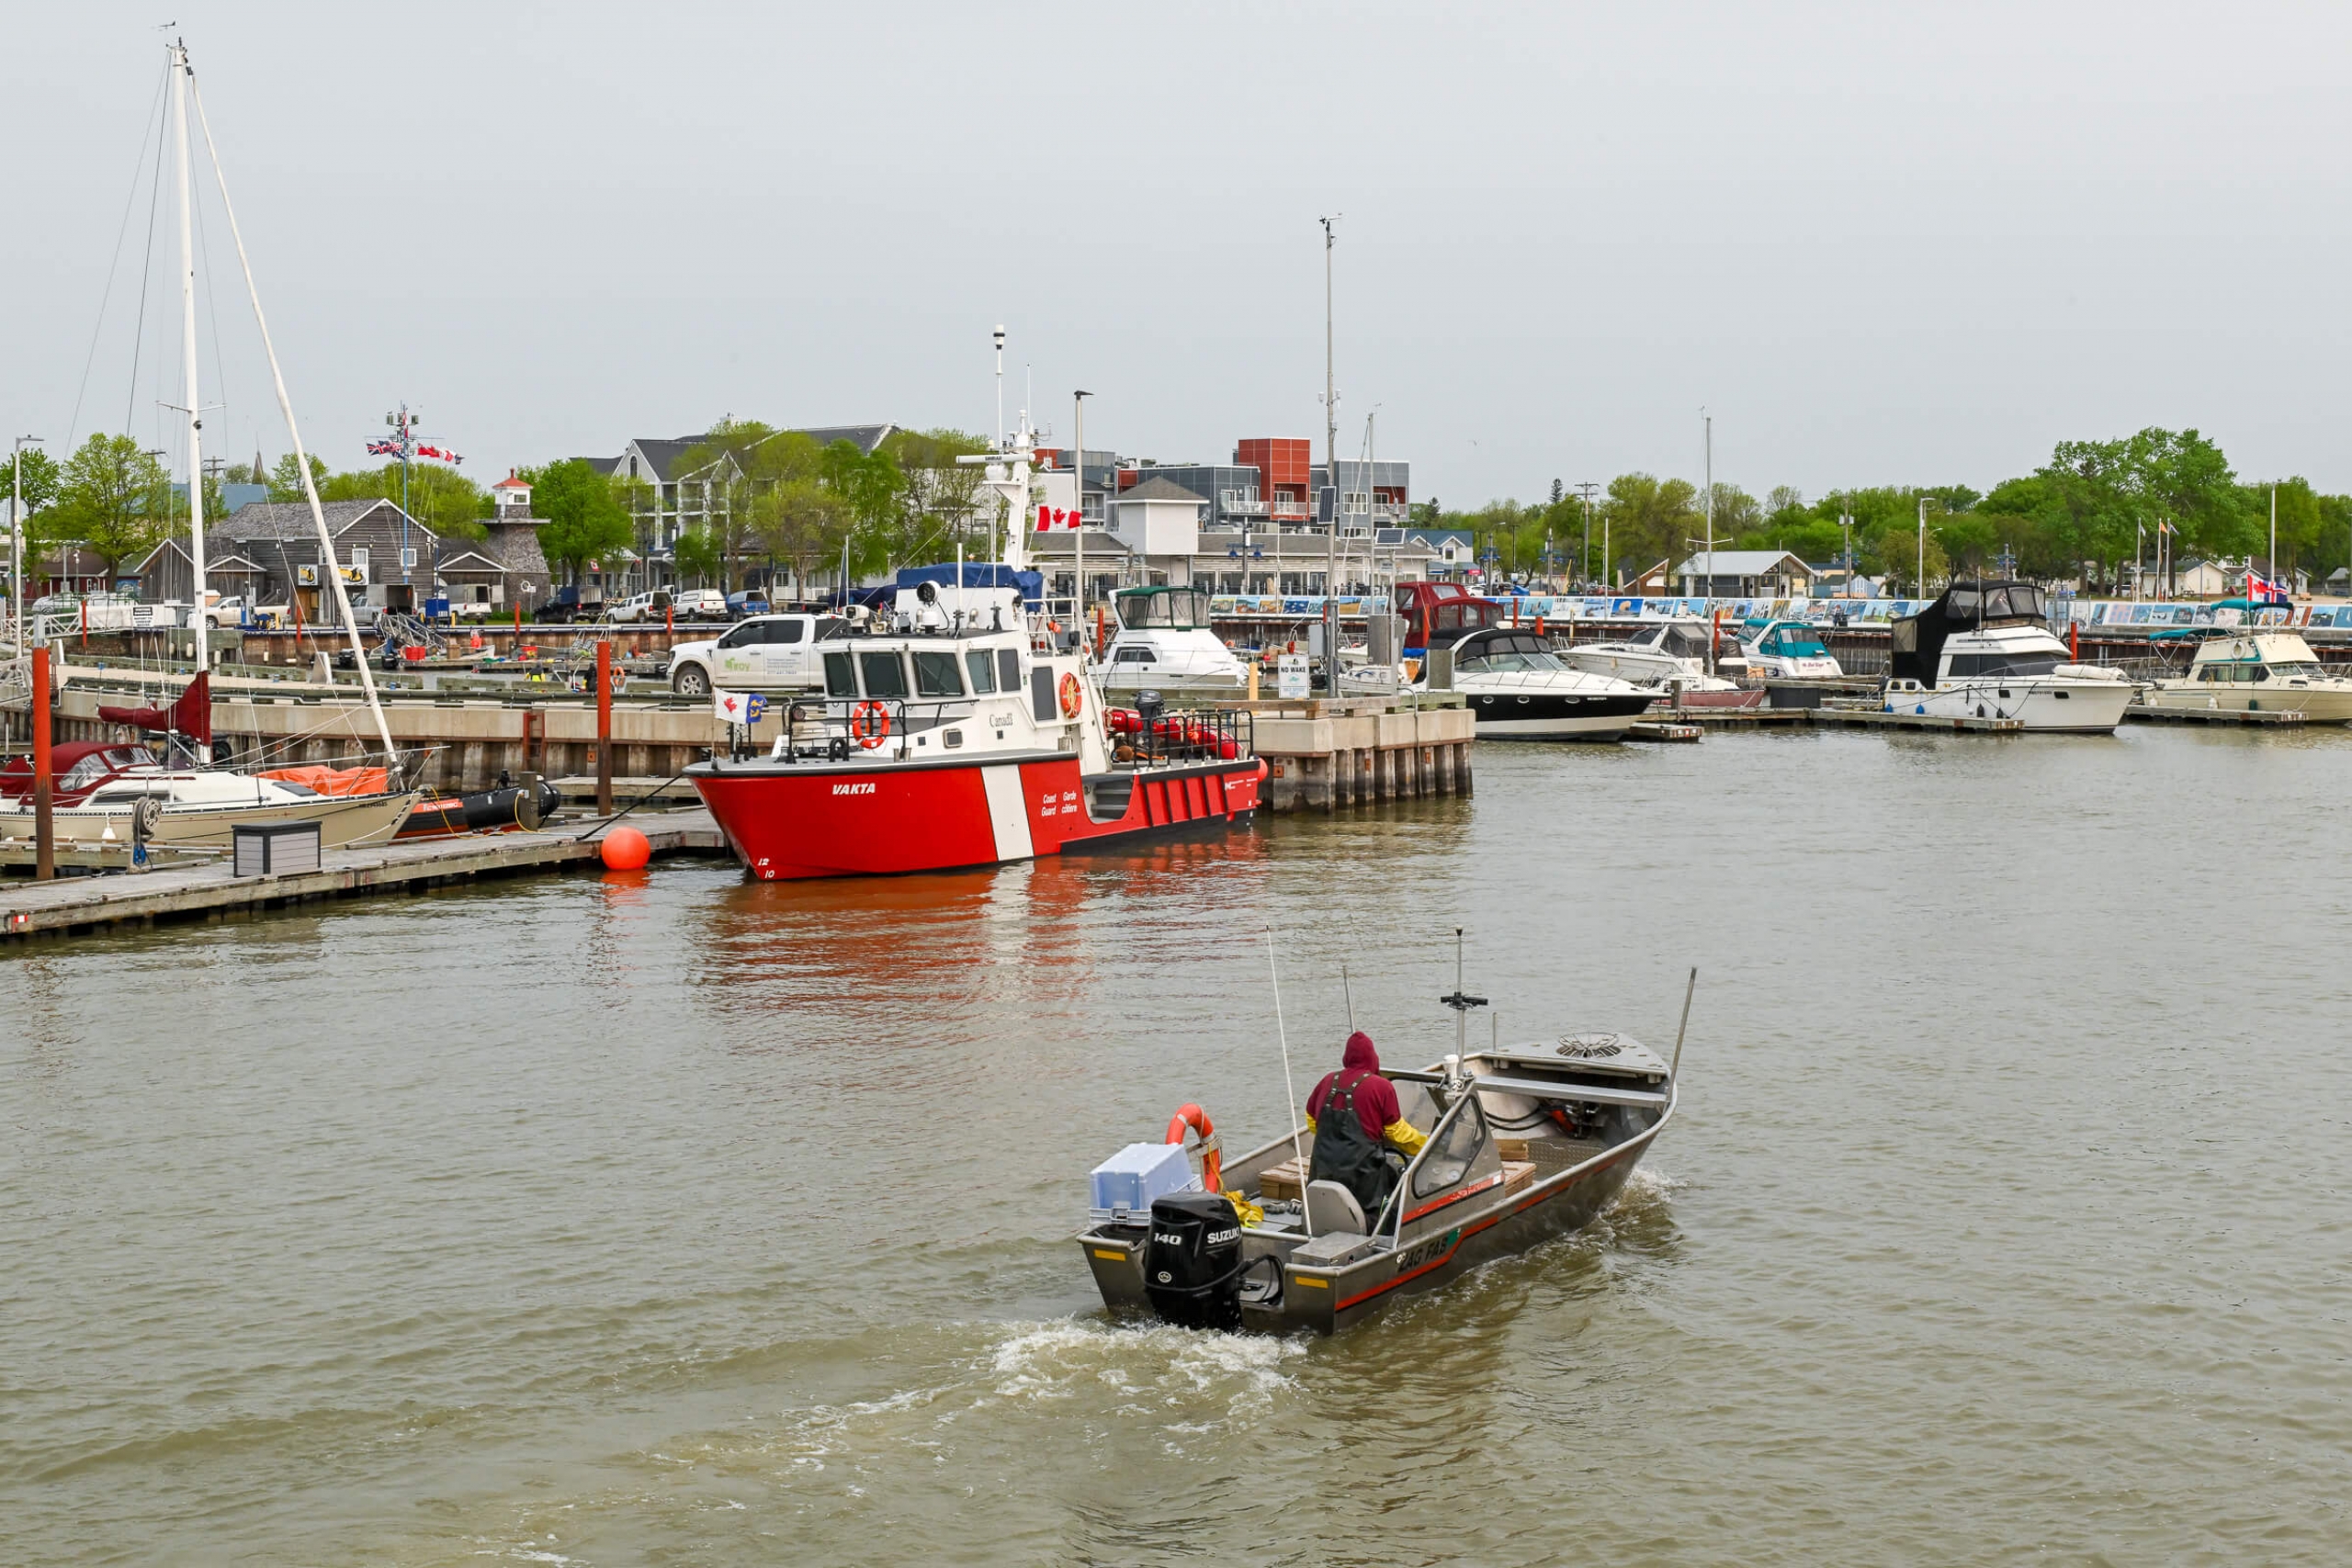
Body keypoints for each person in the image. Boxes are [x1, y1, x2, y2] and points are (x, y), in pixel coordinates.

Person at [1305, 1031, 1428, 1219]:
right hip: (1362, 1182)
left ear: (1346, 1057)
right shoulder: (1381, 1087)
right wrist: (1427, 1145)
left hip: (1322, 1175)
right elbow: (1397, 1133)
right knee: (1396, 1188)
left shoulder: (1327, 1080)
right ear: (1373, 1057)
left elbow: (1312, 1122)